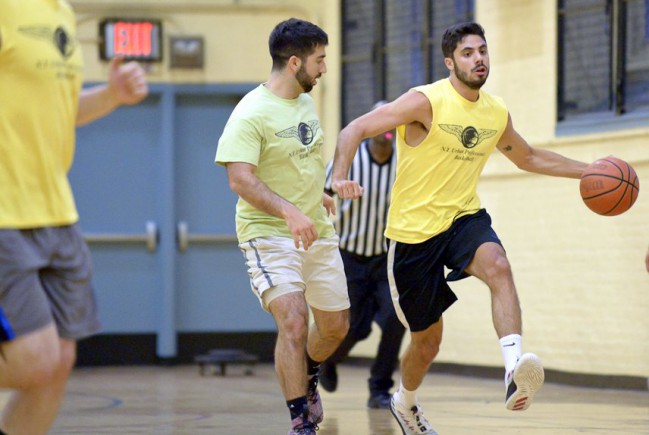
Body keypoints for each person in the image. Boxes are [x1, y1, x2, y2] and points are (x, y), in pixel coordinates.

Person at [331, 22, 589, 434]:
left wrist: (590, 171)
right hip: (413, 236)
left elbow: (528, 157)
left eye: (483, 50)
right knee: (427, 343)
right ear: (450, 62)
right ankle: (405, 402)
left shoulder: (494, 111)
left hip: (462, 219)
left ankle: (512, 373)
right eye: (468, 53)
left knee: (499, 267)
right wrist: (339, 176)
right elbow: (354, 128)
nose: (479, 58)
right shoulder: (425, 102)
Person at [0, 1, 149, 434]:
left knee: (58, 362)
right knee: (34, 358)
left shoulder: (61, 12)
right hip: (6, 216)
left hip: (56, 213)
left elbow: (59, 114)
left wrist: (111, 95)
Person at [215, 18, 350, 435]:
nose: (324, 68)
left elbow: (299, 161)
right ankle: (300, 422)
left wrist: (317, 197)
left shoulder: (306, 103)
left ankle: (307, 373)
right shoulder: (251, 112)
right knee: (293, 319)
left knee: (335, 326)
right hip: (268, 232)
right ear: (295, 63)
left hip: (316, 231)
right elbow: (240, 178)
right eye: (320, 59)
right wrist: (290, 211)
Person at [320, 100, 406, 409]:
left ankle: (379, 388)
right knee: (354, 326)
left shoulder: (403, 164)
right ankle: (328, 361)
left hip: (385, 258)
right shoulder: (349, 162)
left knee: (397, 320)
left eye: (389, 126)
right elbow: (320, 196)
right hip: (349, 257)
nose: (384, 132)